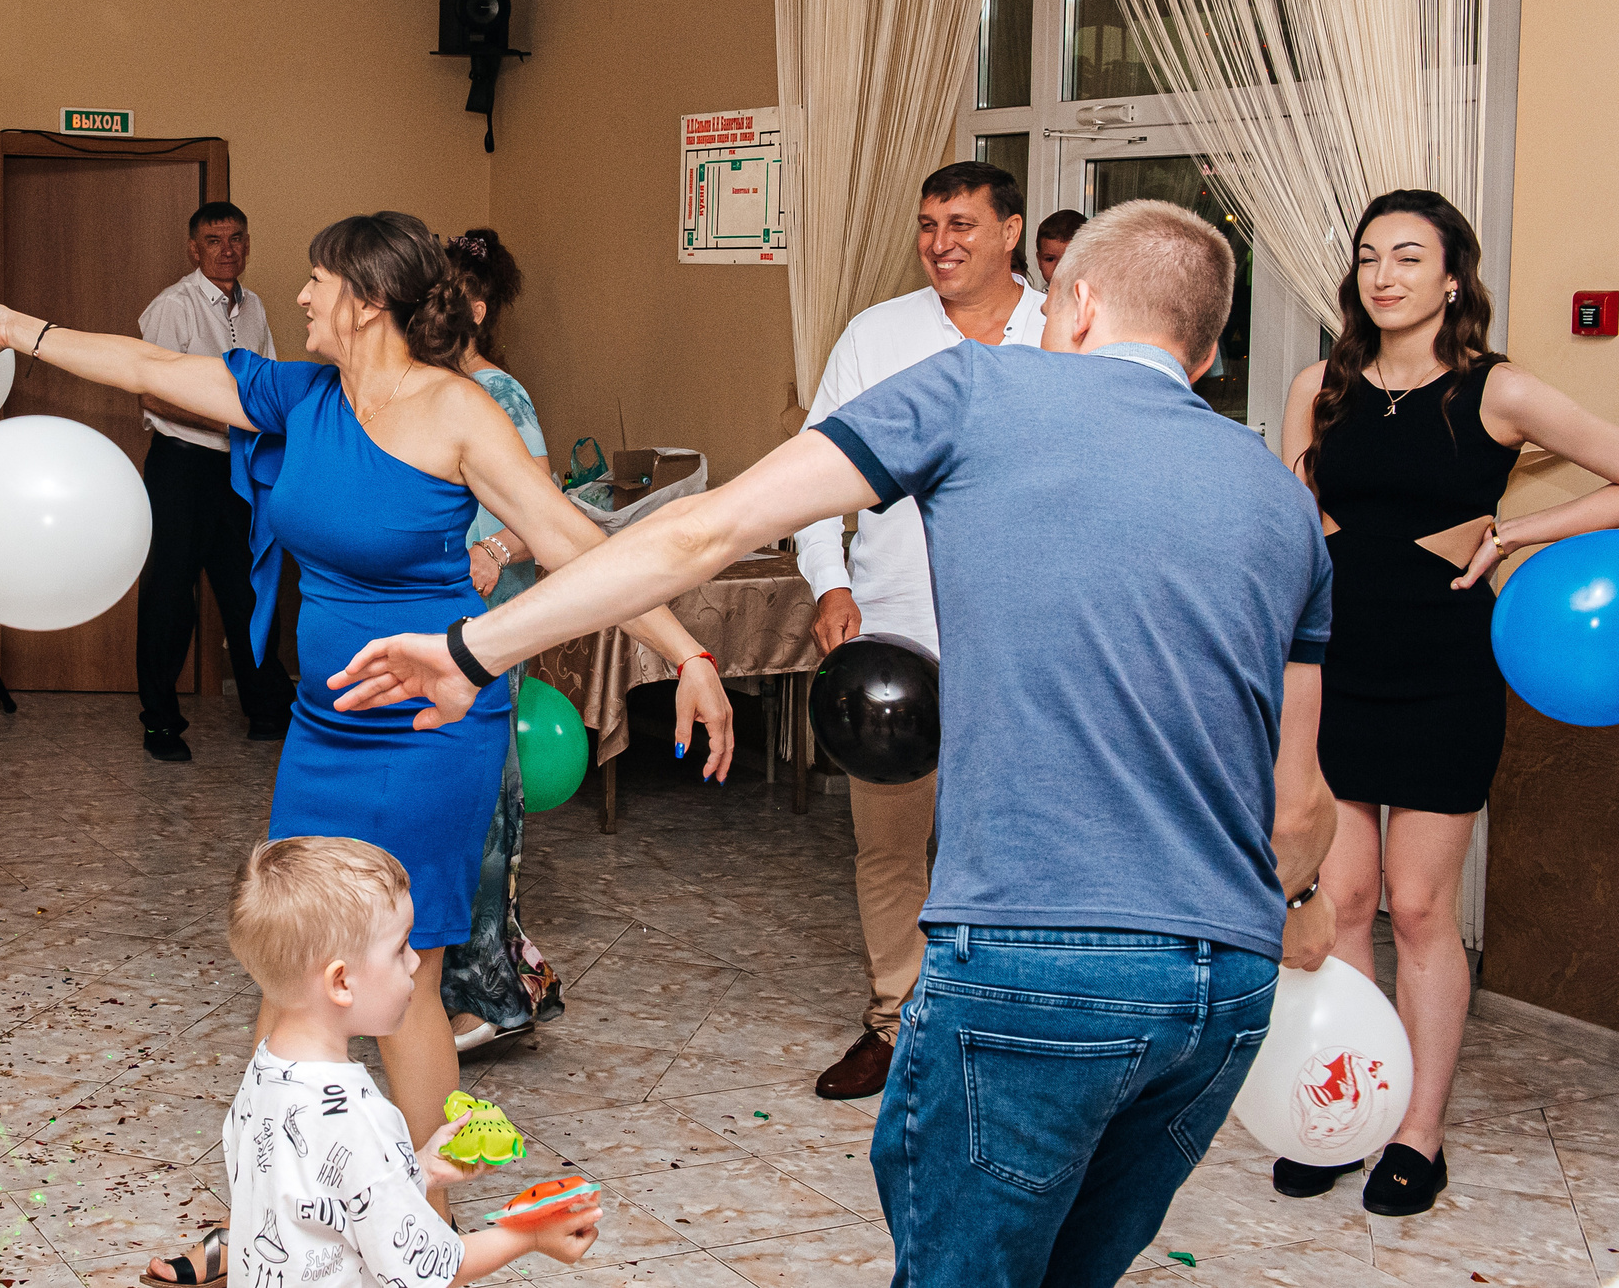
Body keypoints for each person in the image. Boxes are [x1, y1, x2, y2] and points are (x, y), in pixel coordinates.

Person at [335, 200, 1342, 1288]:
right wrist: (1283, 910)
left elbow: (703, 527)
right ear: (1201, 348)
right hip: (1223, 987)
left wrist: (476, 646)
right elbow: (1299, 811)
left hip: (1037, 961)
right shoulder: (1278, 499)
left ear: (1081, 304)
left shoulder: (979, 386)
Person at [0, 211, 731, 1221]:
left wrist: (686, 651)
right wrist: (22, 327)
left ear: (368, 301)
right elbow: (149, 364)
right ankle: (265, 1213)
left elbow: (574, 540)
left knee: (403, 973)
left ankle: (431, 1218)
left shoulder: (457, 414)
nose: (304, 296)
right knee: (294, 954)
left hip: (431, 729)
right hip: (323, 732)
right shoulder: (299, 393)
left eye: (320, 281)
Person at [1275, 188, 1619, 1215]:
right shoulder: (1318, 383)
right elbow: (1292, 520)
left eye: (1409, 256)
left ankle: (1417, 1128)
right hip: (1336, 668)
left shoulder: (1495, 389)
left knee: (1419, 908)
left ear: (1451, 278)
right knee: (1341, 910)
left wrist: (1521, 531)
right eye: (1372, 257)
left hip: (1446, 672)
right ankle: (1347, 1107)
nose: (1385, 274)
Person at [793, 159, 1044, 1102]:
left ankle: (998, 1027)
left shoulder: (1066, 332)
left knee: (1009, 842)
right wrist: (828, 582)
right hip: (895, 636)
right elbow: (813, 471)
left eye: (963, 224)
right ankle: (895, 1020)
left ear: (1010, 231)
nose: (941, 242)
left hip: (1026, 638)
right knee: (890, 845)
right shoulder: (877, 334)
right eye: (930, 224)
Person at [212, 836, 602, 1288]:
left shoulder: (264, 1071)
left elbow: (321, 1195)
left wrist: (418, 1168)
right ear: (340, 982)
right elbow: (431, 1268)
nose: (416, 961)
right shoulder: (360, 1117)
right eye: (400, 949)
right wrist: (530, 1235)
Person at [437, 228, 561, 1053]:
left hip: (488, 625)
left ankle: (492, 991)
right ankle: (475, 979)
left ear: (474, 309)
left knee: (484, 810)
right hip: (437, 621)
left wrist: (492, 548)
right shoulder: (426, 394)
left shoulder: (498, 392)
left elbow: (541, 501)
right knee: (451, 807)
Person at [134, 200, 295, 761]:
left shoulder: (255, 308)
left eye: (236, 239)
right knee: (170, 595)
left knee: (249, 588)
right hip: (182, 464)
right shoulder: (172, 307)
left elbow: (268, 383)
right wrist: (231, 420)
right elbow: (153, 393)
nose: (227, 250)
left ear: (247, 245)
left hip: (242, 467)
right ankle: (160, 724)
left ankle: (266, 708)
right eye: (213, 240)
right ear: (193, 249)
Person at [1034, 208, 1086, 287]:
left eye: (1069, 258)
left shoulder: (1101, 298)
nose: (1059, 267)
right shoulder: (1038, 299)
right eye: (1050, 259)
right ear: (1039, 261)